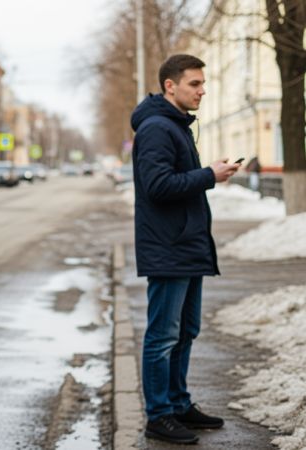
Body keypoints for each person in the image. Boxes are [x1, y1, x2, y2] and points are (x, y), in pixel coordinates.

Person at [130, 54, 241, 445]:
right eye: (194, 83)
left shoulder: (174, 125)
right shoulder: (158, 128)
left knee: (186, 331)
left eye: (202, 83)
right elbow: (158, 185)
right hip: (169, 247)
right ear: (170, 86)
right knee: (163, 335)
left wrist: (206, 175)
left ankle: (178, 404)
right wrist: (210, 174)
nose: (202, 90)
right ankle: (159, 415)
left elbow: (176, 181)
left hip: (186, 246)